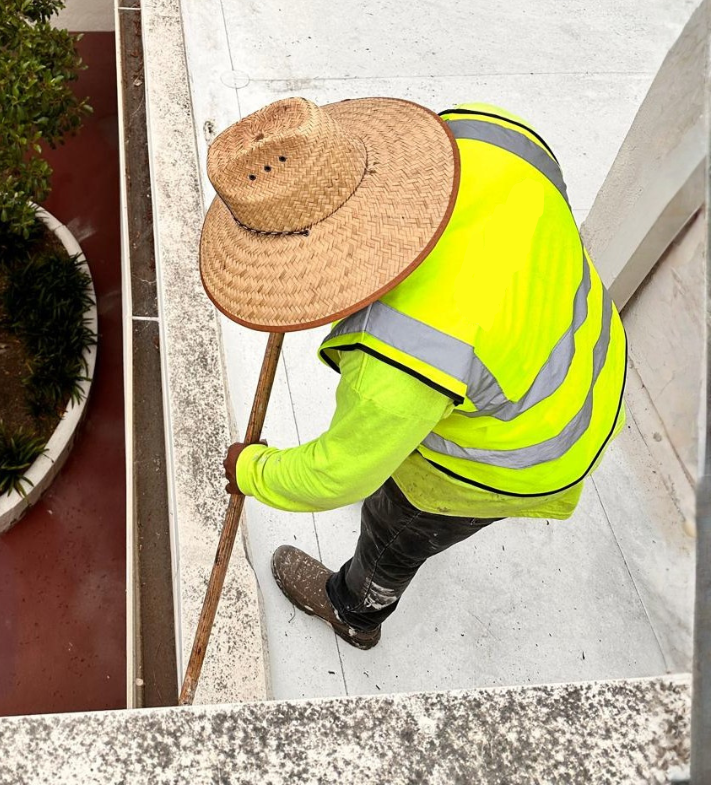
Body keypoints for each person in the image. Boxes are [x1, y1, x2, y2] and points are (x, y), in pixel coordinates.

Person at [198, 97, 626, 649]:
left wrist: (252, 469)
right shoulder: (487, 135)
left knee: (395, 529)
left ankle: (355, 610)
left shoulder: (396, 359)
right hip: (589, 356)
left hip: (528, 451)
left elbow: (339, 475)